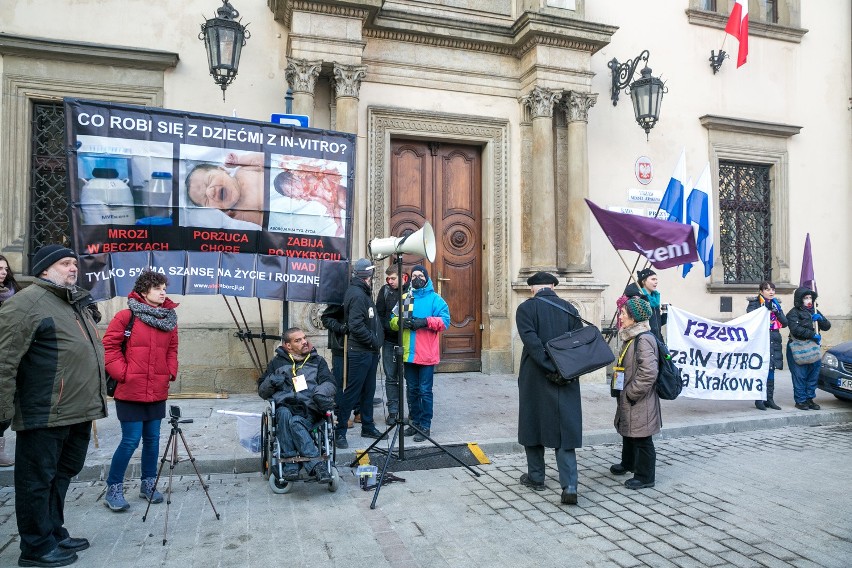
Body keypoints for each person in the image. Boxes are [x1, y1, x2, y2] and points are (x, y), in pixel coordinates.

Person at [0, 244, 107, 567]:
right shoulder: (26, 304)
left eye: (75, 263)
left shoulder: (73, 303)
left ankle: (53, 531)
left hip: (79, 410)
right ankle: (35, 547)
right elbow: (4, 361)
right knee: (36, 481)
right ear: (44, 270)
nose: (73, 268)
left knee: (62, 474)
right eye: (64, 263)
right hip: (45, 411)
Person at [102, 270, 179, 512]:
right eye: (157, 288)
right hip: (130, 390)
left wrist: (169, 370)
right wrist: (123, 374)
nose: (163, 292)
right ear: (144, 292)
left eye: (164, 287)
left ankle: (148, 484)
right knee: (130, 440)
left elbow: (172, 349)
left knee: (153, 440)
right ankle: (113, 487)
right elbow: (109, 347)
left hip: (157, 389)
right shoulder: (126, 316)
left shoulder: (169, 318)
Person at [515, 271, 583, 505]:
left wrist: (548, 367)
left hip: (535, 375)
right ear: (553, 286)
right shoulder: (569, 308)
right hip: (568, 373)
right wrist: (562, 370)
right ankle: (570, 485)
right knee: (565, 429)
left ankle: (536, 477)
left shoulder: (525, 309)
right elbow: (577, 344)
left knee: (532, 422)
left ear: (532, 288)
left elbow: (532, 344)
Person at [258, 327, 337, 482]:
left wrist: (321, 392)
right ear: (288, 346)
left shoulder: (317, 361)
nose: (304, 342)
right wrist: (272, 380)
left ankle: (294, 464)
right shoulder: (277, 363)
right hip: (285, 409)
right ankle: (303, 464)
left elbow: (330, 383)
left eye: (304, 338)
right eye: (298, 340)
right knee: (284, 414)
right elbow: (262, 391)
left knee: (294, 421)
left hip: (310, 410)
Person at [390, 264, 450, 442]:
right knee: (412, 390)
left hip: (427, 355)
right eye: (414, 275)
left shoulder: (436, 300)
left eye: (420, 276)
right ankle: (414, 422)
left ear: (426, 278)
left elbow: (445, 321)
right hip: (409, 353)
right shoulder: (406, 298)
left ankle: (425, 425)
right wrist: (401, 322)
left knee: (425, 391)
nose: (417, 278)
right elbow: (392, 321)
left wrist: (425, 322)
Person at [611, 297, 661, 490]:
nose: (621, 316)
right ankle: (628, 463)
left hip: (639, 398)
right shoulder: (631, 336)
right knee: (629, 432)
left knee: (642, 437)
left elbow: (649, 372)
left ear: (634, 317)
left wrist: (631, 393)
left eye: (623, 313)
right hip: (630, 397)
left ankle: (645, 476)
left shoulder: (644, 339)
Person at [334, 259, 385, 449]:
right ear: (368, 276)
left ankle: (368, 426)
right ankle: (340, 431)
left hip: (369, 352)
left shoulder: (362, 292)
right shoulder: (356, 294)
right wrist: (373, 340)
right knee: (353, 392)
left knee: (368, 391)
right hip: (361, 352)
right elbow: (355, 325)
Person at [184, 151, 265, 227]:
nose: (210, 192)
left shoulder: (243, 170)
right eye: (206, 201)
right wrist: (230, 218)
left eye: (209, 180)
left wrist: (239, 160)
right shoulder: (238, 214)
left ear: (223, 170)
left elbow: (263, 160)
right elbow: (264, 221)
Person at [786, 287, 831, 410]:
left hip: (813, 347)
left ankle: (809, 399)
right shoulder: (793, 313)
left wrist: (821, 320)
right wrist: (812, 334)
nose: (808, 300)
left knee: (813, 374)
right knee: (800, 375)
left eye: (810, 297)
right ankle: (800, 400)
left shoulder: (815, 311)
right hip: (798, 347)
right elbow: (795, 329)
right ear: (799, 300)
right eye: (805, 298)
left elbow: (827, 326)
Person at [746, 282, 788, 411]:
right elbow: (751, 320)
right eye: (767, 289)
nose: (771, 292)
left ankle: (769, 399)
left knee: (771, 370)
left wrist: (777, 311)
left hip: (773, 339)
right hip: (761, 340)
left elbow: (785, 323)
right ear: (761, 291)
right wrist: (765, 309)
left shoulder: (776, 304)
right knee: (761, 370)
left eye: (773, 289)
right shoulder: (754, 303)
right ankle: (759, 399)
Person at [375, 265, 408, 425]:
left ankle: (408, 413)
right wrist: (384, 330)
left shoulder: (411, 292)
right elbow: (379, 313)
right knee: (390, 377)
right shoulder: (385, 290)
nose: (390, 281)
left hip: (408, 342)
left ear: (403, 277)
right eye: (388, 279)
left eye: (393, 278)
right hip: (389, 341)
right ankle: (393, 412)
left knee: (408, 378)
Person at [0, 254, 20, 467]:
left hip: (10, 354)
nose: (3, 272)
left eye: (5, 268)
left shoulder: (16, 293)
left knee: (6, 405)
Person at [623, 268, 667, 343]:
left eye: (656, 279)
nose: (656, 282)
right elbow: (635, 322)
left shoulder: (655, 300)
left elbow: (656, 324)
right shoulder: (638, 299)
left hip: (658, 340)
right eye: (653, 279)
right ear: (643, 281)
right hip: (645, 341)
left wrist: (666, 314)